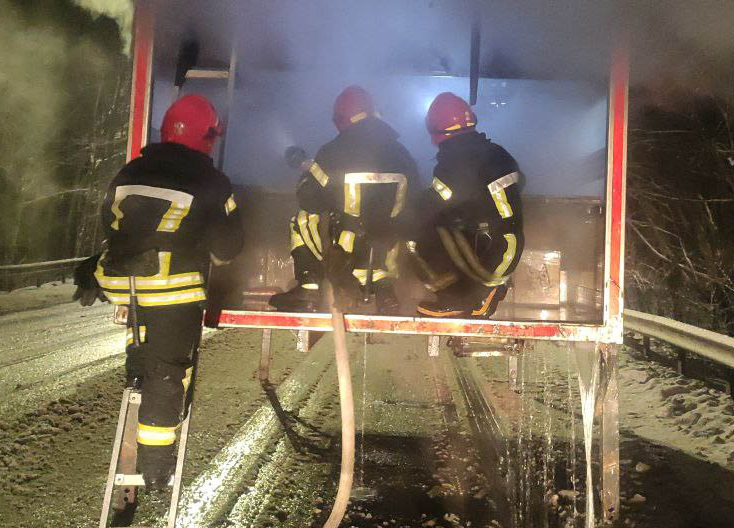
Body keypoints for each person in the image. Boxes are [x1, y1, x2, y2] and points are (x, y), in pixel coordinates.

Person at [72, 94, 242, 490]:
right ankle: (155, 464)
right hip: (170, 285)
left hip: (122, 279)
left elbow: (111, 223)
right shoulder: (211, 181)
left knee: (148, 338)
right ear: (207, 137)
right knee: (168, 370)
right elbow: (227, 249)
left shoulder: (130, 170)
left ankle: (138, 366)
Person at [269, 85, 418, 314]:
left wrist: (309, 175)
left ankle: (308, 288)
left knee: (303, 219)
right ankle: (385, 292)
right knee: (385, 235)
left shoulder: (333, 152)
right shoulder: (403, 155)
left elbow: (309, 198)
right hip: (386, 252)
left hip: (346, 253)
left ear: (342, 119)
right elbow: (414, 203)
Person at [409, 92, 524, 318]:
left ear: (435, 130)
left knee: (417, 235)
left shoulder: (455, 161)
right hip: (506, 248)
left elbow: (432, 205)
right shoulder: (498, 153)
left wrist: (403, 213)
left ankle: (458, 298)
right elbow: (519, 183)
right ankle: (486, 290)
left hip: (489, 250)